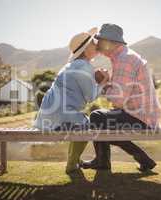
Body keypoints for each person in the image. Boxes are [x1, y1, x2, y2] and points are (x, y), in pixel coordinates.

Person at [82, 23, 161, 172]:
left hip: (141, 117)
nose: (97, 43)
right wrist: (108, 83)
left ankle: (103, 161)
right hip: (142, 115)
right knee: (103, 122)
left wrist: (104, 83)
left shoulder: (124, 60)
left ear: (109, 43)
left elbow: (118, 101)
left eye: (99, 40)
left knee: (97, 117)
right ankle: (142, 160)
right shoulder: (124, 57)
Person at [34, 27, 109, 173]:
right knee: (86, 124)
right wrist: (104, 82)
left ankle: (74, 159)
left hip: (47, 115)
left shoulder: (72, 65)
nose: (96, 45)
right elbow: (91, 97)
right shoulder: (83, 66)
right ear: (86, 49)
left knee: (79, 122)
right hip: (58, 116)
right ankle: (71, 163)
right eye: (93, 43)